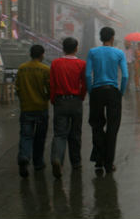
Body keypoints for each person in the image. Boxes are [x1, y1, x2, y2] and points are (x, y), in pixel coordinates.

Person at [86, 27, 128, 175]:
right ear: (112, 38)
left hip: (97, 91)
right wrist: (120, 92)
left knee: (97, 126)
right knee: (112, 128)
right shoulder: (119, 53)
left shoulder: (93, 52)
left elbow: (87, 75)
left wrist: (91, 91)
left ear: (101, 37)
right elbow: (124, 76)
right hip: (113, 92)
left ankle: (98, 160)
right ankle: (109, 164)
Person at [49, 37, 86, 178]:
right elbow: (85, 83)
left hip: (60, 101)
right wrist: (81, 97)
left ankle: (57, 159)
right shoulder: (81, 64)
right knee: (75, 133)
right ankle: (76, 162)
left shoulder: (56, 63)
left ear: (63, 48)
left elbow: (52, 84)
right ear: (76, 48)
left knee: (59, 134)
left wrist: (53, 99)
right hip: (75, 101)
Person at [15, 45, 50, 178]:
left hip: (26, 108)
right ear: (42, 54)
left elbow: (17, 88)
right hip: (41, 108)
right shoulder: (45, 69)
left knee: (25, 135)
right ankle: (38, 163)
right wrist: (47, 98)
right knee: (39, 138)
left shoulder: (22, 69)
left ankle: (24, 156)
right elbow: (50, 88)